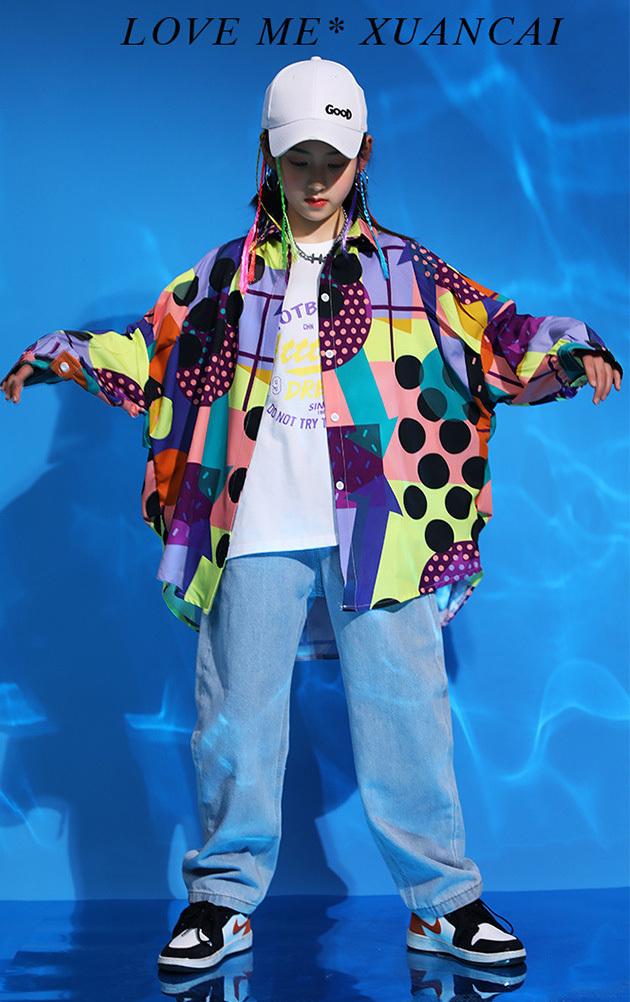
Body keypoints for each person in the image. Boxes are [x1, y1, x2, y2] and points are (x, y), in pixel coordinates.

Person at [1, 56, 623, 975]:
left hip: (380, 519)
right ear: (269, 154)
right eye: (300, 160)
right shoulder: (223, 277)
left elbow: (495, 332)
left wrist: (570, 350)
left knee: (407, 712)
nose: (318, 179)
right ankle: (222, 902)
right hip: (253, 519)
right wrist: (61, 354)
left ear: (364, 155)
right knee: (235, 719)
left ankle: (444, 903)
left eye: (334, 159)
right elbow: (149, 347)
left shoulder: (408, 270)